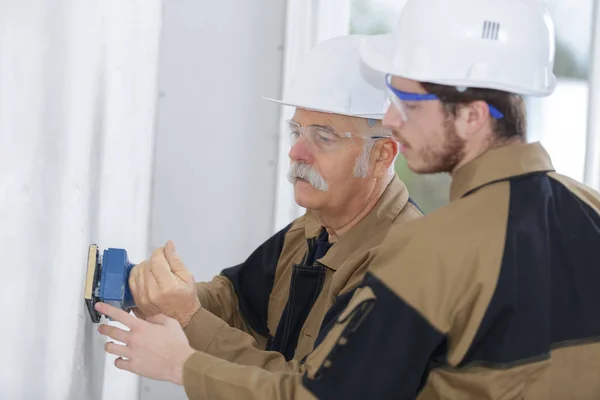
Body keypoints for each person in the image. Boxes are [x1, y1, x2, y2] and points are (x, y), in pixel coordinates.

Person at [99, 1, 600, 399]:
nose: (395, 122)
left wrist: (182, 365)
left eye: (408, 103)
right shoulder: (591, 211)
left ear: (472, 116)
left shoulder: (430, 249)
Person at [97, 34, 422, 397]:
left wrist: (187, 325)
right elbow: (237, 304)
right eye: (297, 131)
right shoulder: (312, 230)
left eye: (323, 137)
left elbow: (314, 391)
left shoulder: (405, 266)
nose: (296, 152)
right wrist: (171, 297)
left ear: (382, 155)